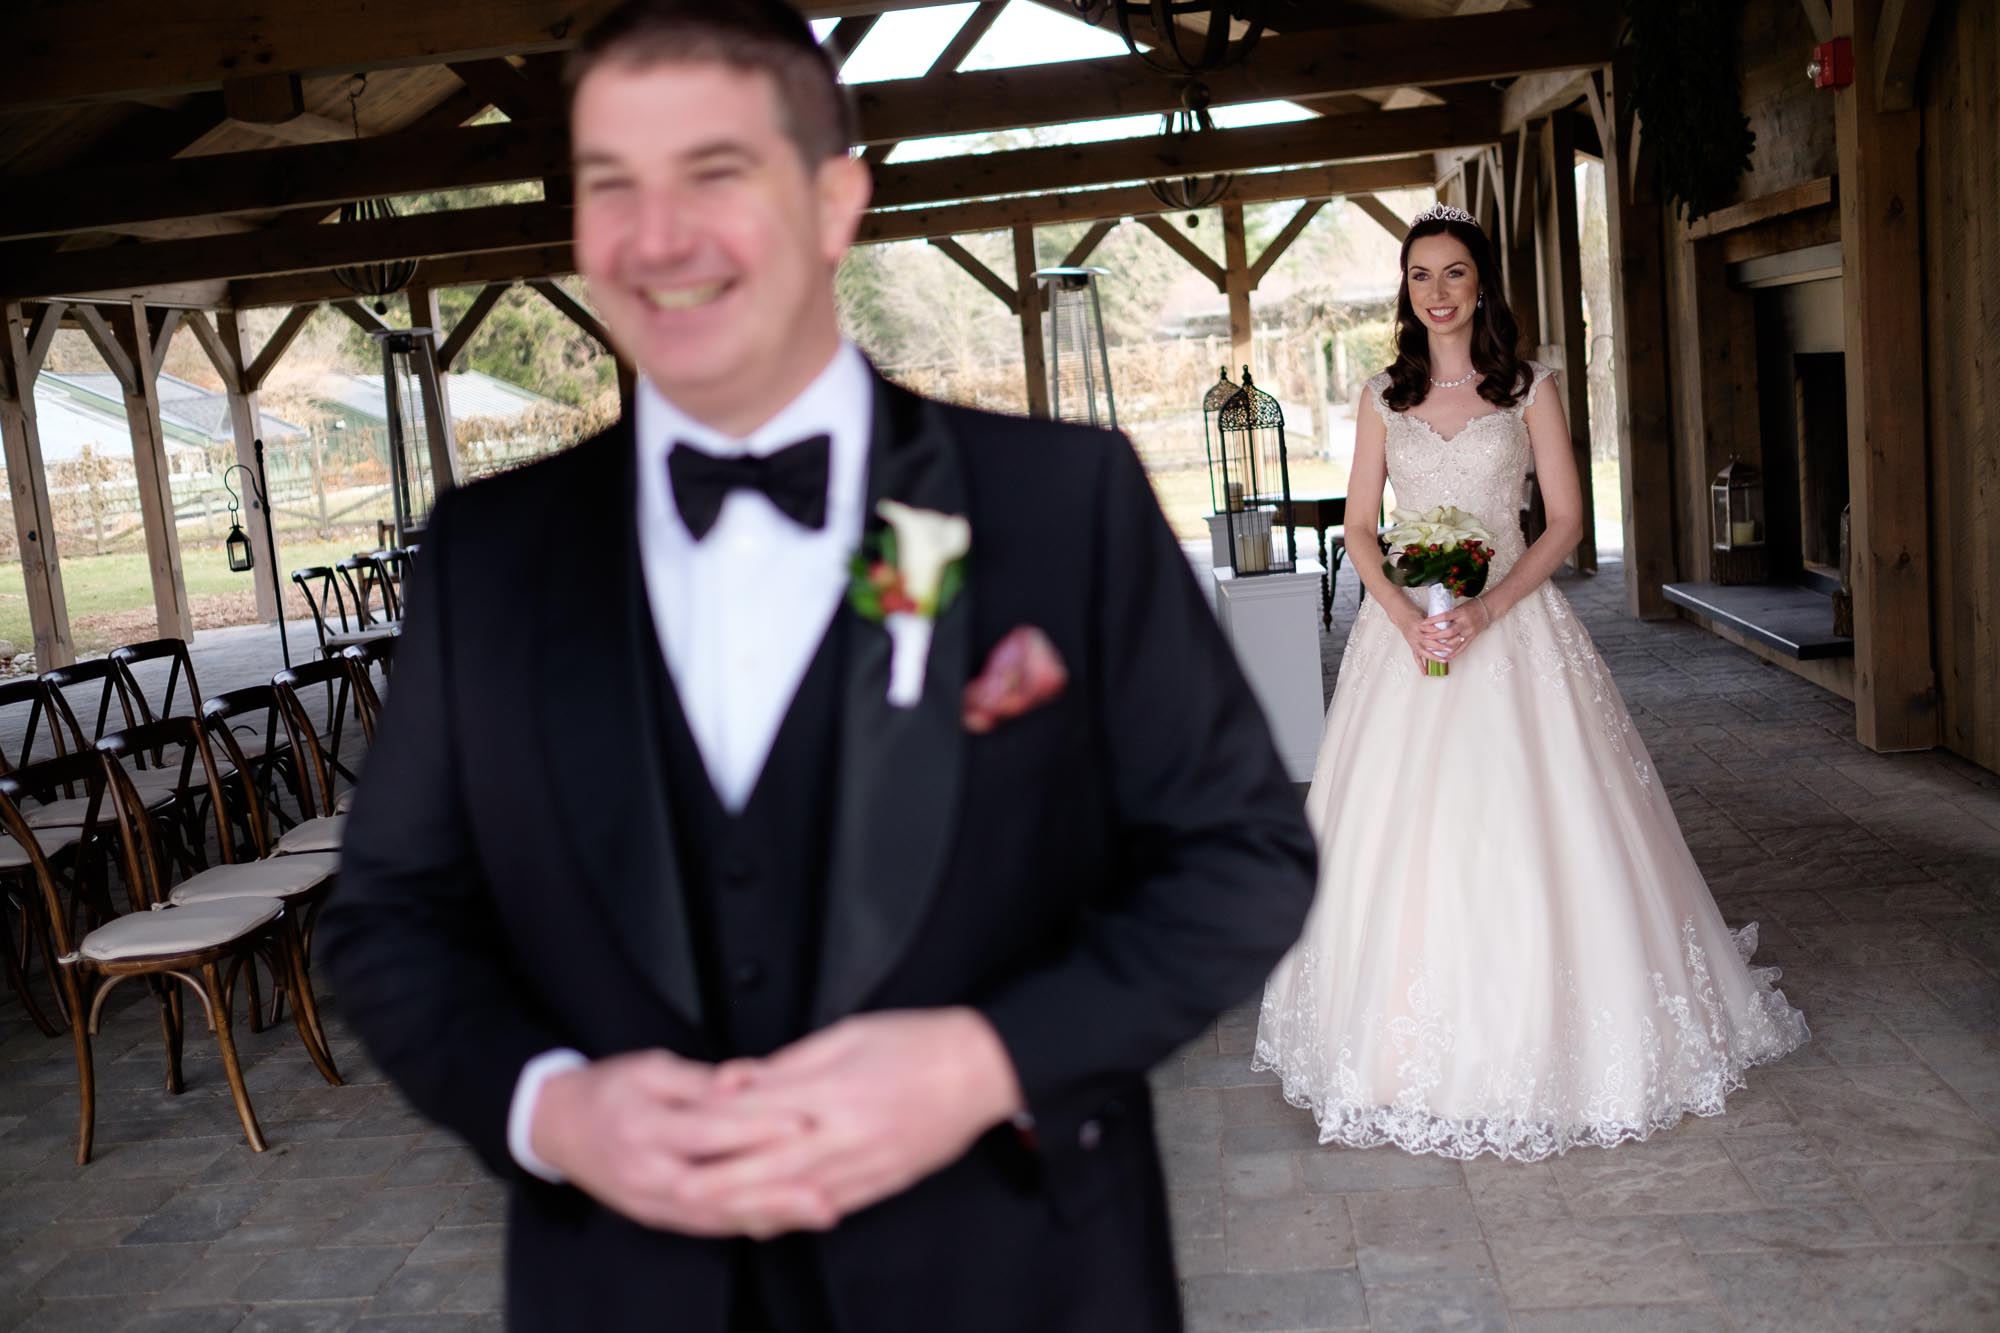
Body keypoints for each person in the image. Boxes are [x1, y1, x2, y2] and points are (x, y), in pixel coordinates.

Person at [316, 2, 1316, 1329]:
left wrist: (987, 1059)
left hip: (1015, 1277)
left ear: (836, 202)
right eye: (612, 185)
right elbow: (387, 917)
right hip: (627, 1289)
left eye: (714, 174)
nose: (656, 236)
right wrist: (549, 1106)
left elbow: (1243, 855)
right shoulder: (489, 558)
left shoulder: (1053, 504)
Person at [1254, 203, 1809, 1161]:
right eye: (1421, 275)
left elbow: (1561, 523)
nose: (1438, 292)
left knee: (1542, 825)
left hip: (1510, 627)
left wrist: (1484, 608)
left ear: (1482, 284)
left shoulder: (1530, 388)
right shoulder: (1382, 395)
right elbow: (1357, 527)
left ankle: (1568, 1033)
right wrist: (1407, 619)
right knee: (1401, 842)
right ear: (1406, 290)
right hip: (1409, 641)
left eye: (1455, 273)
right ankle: (1388, 1050)